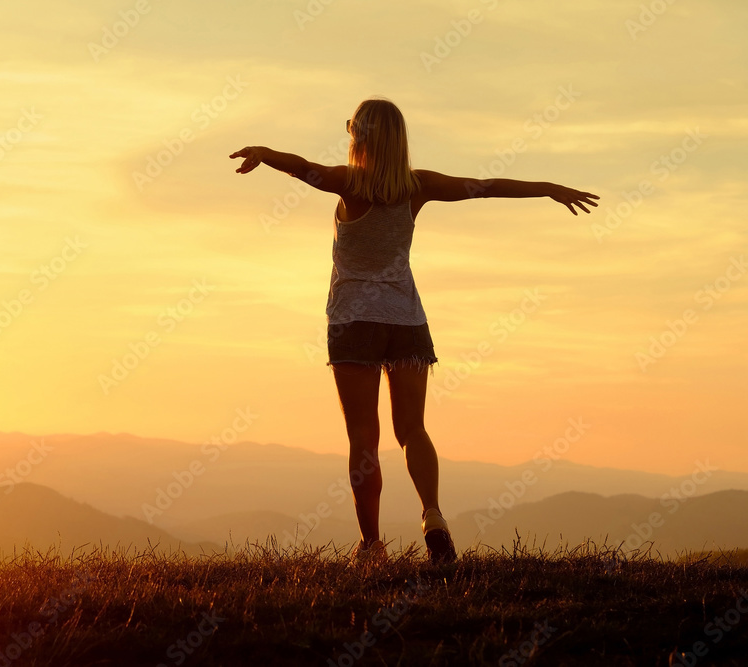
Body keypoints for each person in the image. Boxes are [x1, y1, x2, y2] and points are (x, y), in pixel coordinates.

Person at [229, 97, 599, 565]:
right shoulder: (418, 187)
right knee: (414, 430)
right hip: (407, 321)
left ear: (359, 137)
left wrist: (265, 152)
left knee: (364, 436)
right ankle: (433, 515)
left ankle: (371, 546)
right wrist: (548, 187)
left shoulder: (349, 183)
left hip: (353, 323)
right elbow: (485, 186)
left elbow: (302, 168)